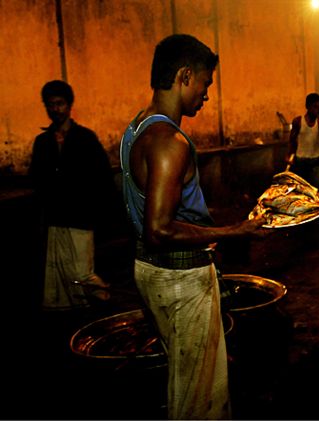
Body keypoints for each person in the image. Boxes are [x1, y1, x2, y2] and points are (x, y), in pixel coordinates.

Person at [119, 34, 266, 420]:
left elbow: (159, 208)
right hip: (180, 278)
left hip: (151, 271)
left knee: (184, 378)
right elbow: (160, 229)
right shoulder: (169, 141)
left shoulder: (136, 127)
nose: (206, 94)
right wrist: (236, 231)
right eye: (205, 83)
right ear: (185, 76)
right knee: (199, 397)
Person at [29, 80, 115, 310]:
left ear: (69, 105)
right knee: (57, 272)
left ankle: (103, 305)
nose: (55, 109)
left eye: (60, 104)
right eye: (50, 105)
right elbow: (37, 178)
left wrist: (99, 211)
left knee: (81, 272)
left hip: (80, 216)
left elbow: (102, 176)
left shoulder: (85, 139)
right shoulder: (43, 142)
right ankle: (69, 316)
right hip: (54, 218)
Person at [288, 93, 319, 188]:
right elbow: (292, 139)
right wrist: (289, 155)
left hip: (316, 162)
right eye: (314, 107)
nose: (316, 110)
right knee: (301, 192)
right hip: (300, 162)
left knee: (316, 191)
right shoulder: (298, 121)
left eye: (318, 107)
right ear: (307, 106)